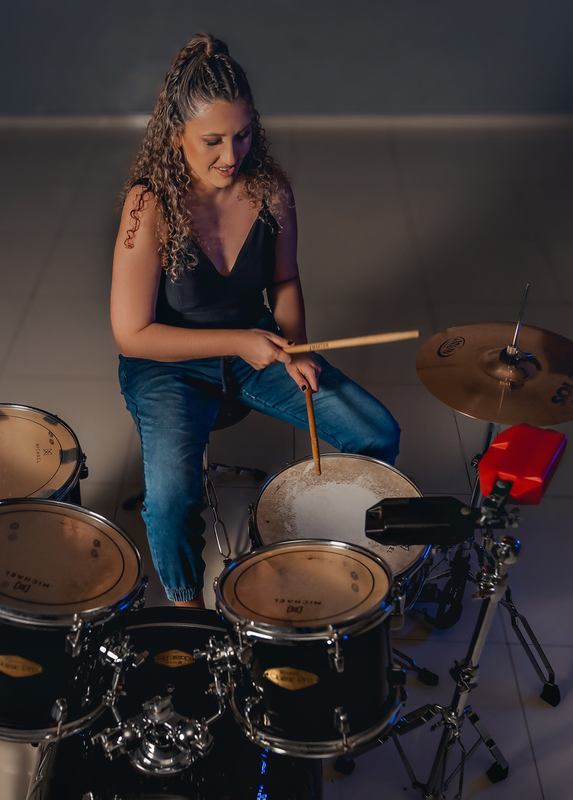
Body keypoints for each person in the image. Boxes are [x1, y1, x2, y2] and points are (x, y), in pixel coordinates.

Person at [110, 32, 400, 608]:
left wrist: (296, 346)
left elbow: (284, 281)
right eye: (212, 140)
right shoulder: (148, 206)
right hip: (166, 365)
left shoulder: (271, 192)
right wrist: (240, 340)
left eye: (242, 134)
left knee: (376, 433)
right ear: (176, 137)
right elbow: (131, 333)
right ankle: (188, 614)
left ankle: (317, 553)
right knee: (168, 501)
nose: (231, 154)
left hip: (259, 349)